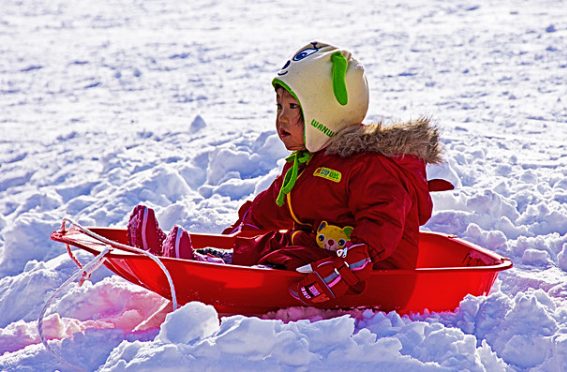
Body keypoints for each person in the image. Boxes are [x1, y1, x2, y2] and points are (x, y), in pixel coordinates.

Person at [127, 41, 444, 306]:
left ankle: (210, 269)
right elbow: (286, 199)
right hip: (323, 255)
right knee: (272, 243)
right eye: (279, 107)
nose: (282, 119)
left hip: (367, 275)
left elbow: (384, 220)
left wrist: (354, 260)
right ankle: (202, 258)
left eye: (294, 108)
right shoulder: (313, 160)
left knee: (286, 256)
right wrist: (250, 221)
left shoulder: (373, 166)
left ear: (325, 114)